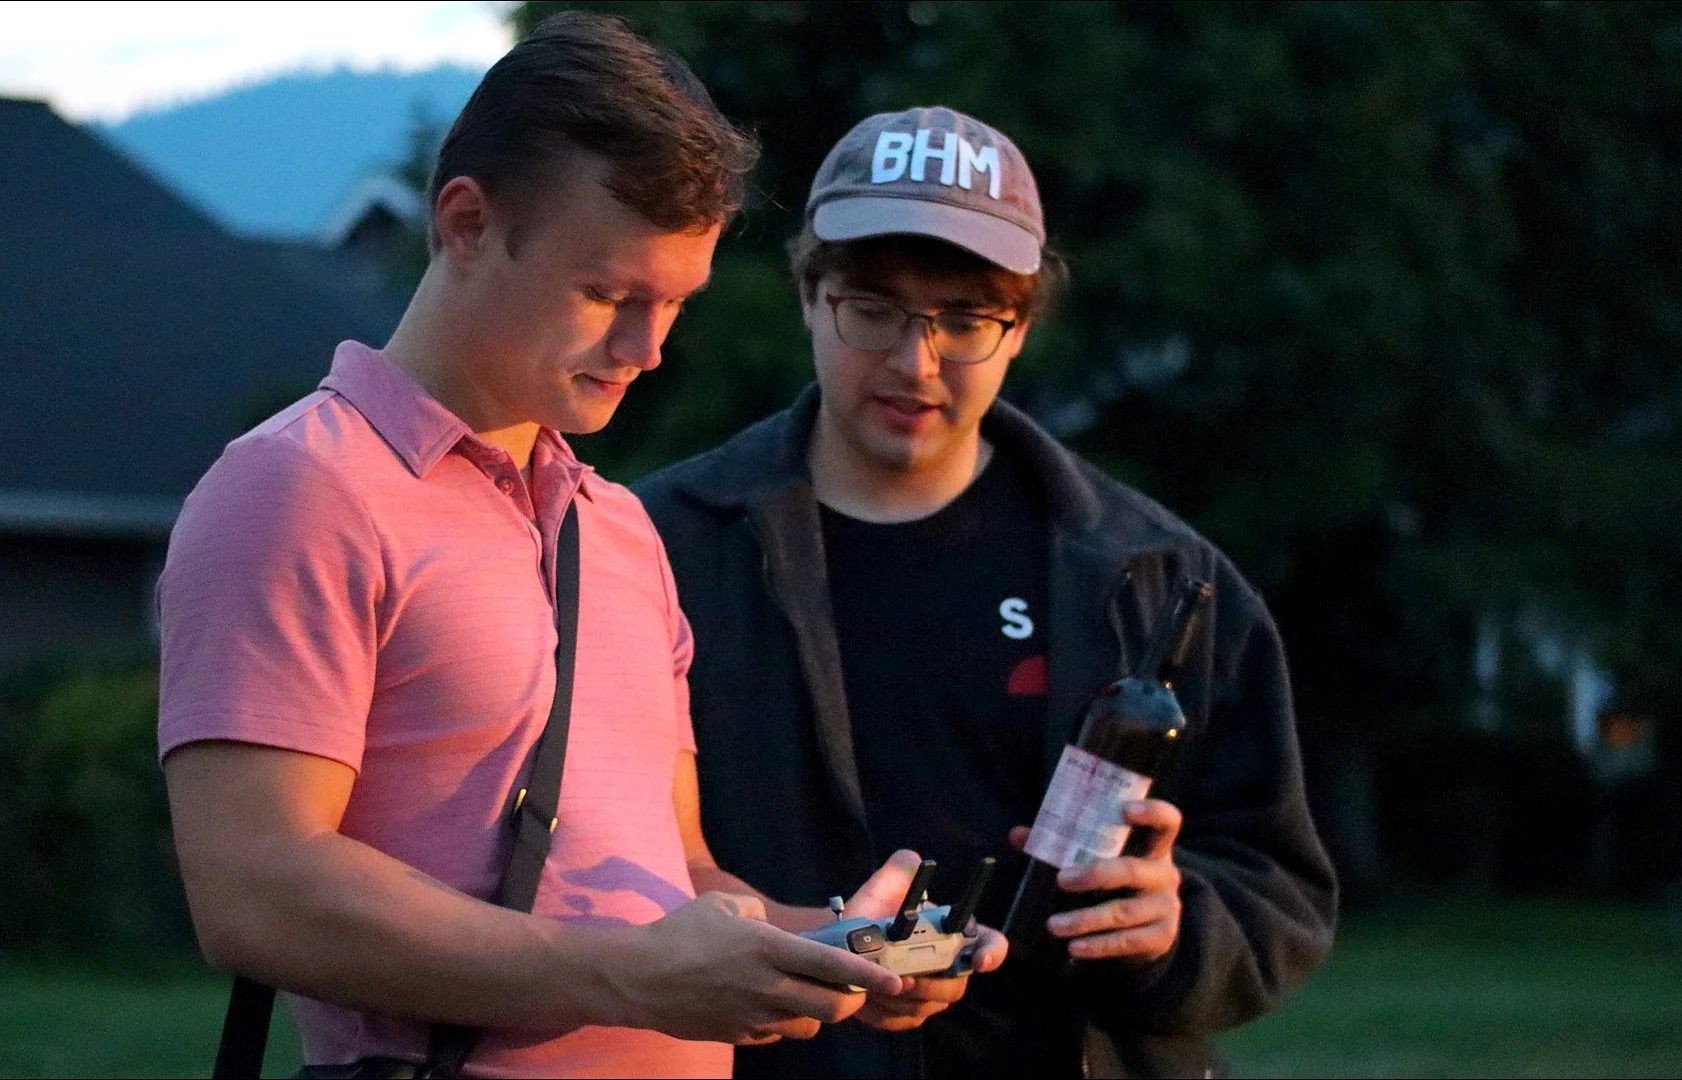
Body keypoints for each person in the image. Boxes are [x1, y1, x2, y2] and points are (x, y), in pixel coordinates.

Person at [156, 16, 932, 1078]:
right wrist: (624, 977)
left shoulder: (616, 528)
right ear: (467, 223)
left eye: (673, 306)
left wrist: (829, 951)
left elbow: (676, 878)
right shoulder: (299, 487)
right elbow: (255, 891)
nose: (648, 349)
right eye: (610, 294)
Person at [634, 106, 1339, 1078]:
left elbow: (1278, 885)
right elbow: (582, 854)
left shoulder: (1159, 579)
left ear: (1021, 327)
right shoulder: (658, 546)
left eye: (964, 319)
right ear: (809, 295)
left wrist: (1175, 923)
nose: (915, 361)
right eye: (873, 308)